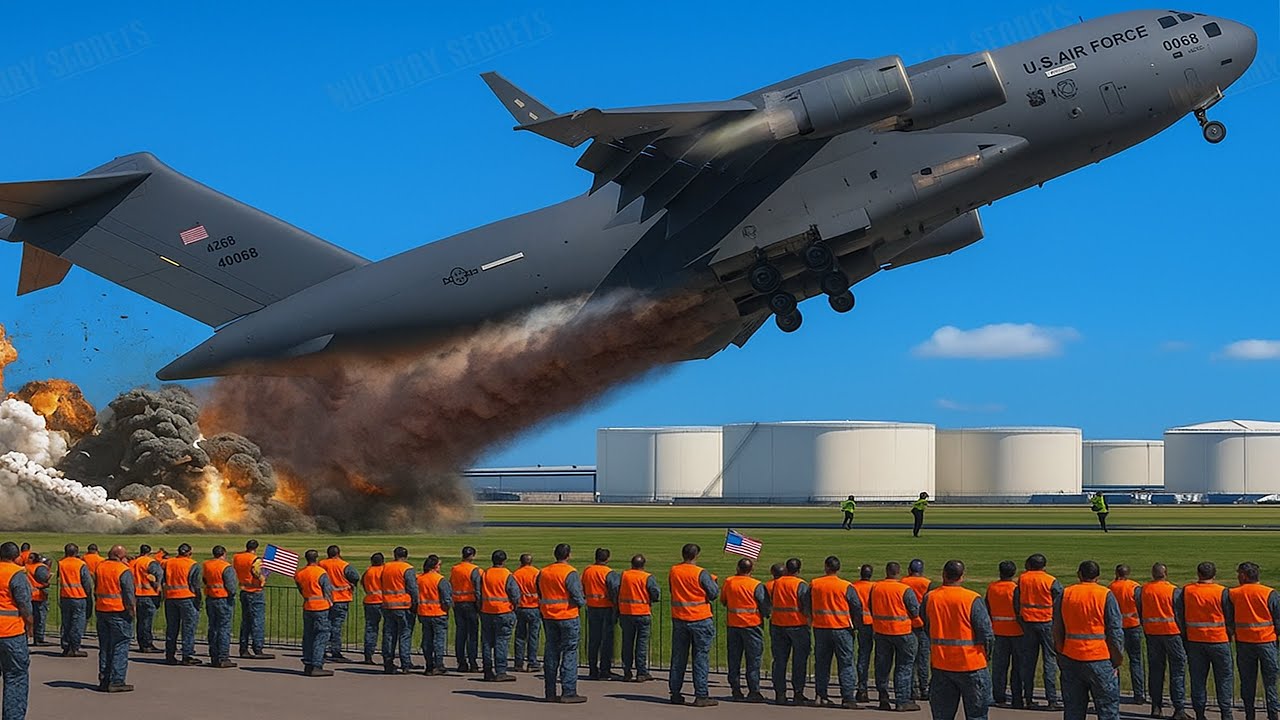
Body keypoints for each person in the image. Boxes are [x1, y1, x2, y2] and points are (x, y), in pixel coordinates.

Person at [1054, 560, 1124, 720]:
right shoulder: (1105, 594)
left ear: (1079, 574)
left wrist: (1060, 651)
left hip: (1071, 656)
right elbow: (1115, 631)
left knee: (1073, 709)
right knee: (1108, 709)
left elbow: (1057, 628)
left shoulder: (1066, 594)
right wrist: (1117, 658)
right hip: (1099, 658)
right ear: (1097, 577)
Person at [924, 560, 993, 720]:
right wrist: (986, 655)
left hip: (941, 663)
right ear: (962, 576)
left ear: (943, 574)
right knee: (977, 715)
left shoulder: (930, 598)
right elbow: (986, 633)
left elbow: (927, 626)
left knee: (942, 715)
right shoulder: (972, 598)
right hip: (971, 664)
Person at [1176, 562, 1235, 720]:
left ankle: (1200, 713)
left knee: (1198, 679)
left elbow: (1179, 614)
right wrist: (1230, 633)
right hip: (1219, 639)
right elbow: (1230, 617)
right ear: (1214, 576)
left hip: (1195, 640)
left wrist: (1185, 633)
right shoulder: (1222, 591)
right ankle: (1226, 713)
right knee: (1224, 678)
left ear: (1198, 574)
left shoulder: (1187, 590)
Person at [668, 543, 719, 707]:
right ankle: (701, 694)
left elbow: (672, 589)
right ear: (696, 555)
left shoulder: (674, 570)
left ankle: (675, 692)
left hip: (680, 618)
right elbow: (713, 594)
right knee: (700, 658)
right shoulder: (700, 573)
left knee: (678, 658)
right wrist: (713, 581)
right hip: (700, 618)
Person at [810, 555, 862, 709]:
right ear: (838, 569)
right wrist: (855, 623)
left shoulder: (815, 584)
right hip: (842, 628)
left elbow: (806, 602)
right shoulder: (845, 586)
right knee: (846, 663)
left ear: (826, 567)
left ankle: (821, 695)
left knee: (821, 663)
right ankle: (847, 697)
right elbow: (857, 606)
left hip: (821, 627)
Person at [1229, 562, 1280, 720]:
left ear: (1244, 575)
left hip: (1244, 643)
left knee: (1247, 680)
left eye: (1239, 574)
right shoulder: (1270, 593)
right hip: (1267, 642)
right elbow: (1278, 620)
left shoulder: (1233, 593)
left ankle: (1249, 714)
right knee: (1270, 681)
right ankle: (1273, 713)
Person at [538, 542, 587, 703]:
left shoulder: (543, 572)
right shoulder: (570, 572)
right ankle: (569, 691)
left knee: (551, 652)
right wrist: (581, 602)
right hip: (567, 616)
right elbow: (577, 595)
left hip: (549, 616)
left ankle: (549, 692)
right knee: (570, 652)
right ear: (568, 555)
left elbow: (539, 591)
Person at [1141, 563, 1190, 720]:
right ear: (1166, 574)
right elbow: (1179, 614)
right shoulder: (1174, 591)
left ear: (1153, 574)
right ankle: (1179, 708)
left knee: (1155, 670)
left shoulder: (1143, 590)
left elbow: (1140, 610)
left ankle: (1156, 706)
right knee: (1177, 670)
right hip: (1171, 633)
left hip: (1152, 633)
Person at [871, 561, 922, 712]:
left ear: (886, 572)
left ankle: (883, 697)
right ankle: (902, 700)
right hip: (902, 631)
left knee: (882, 666)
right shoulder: (904, 589)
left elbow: (870, 605)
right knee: (904, 666)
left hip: (881, 631)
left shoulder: (876, 587)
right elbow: (914, 610)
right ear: (898, 572)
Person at [1017, 553, 1063, 709]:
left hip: (1028, 623)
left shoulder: (1023, 578)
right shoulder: (1050, 580)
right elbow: (1060, 601)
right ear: (1044, 566)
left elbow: (1017, 600)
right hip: (1047, 622)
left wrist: (1021, 618)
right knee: (1049, 661)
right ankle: (1052, 699)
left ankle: (1027, 698)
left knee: (1028, 662)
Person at [721, 556, 767, 702]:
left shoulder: (729, 582)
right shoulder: (756, 585)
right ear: (751, 570)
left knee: (734, 658)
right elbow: (764, 605)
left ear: (738, 568)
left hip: (734, 624)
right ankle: (754, 690)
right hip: (752, 625)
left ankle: (735, 689)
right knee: (753, 659)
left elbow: (723, 600)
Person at [771, 557, 815, 706]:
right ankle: (798, 693)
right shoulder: (801, 584)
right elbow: (806, 605)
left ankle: (780, 693)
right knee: (799, 661)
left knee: (779, 661)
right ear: (798, 570)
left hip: (778, 624)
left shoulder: (776, 583)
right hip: (797, 624)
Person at [94, 545, 136, 693]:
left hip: (101, 610)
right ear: (120, 556)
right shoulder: (123, 570)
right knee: (120, 645)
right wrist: (132, 611)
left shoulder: (100, 567)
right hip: (119, 612)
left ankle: (104, 679)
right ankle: (117, 680)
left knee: (105, 647)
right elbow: (129, 594)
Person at [612, 553, 659, 683]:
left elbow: (616, 589)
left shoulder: (623, 575)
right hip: (642, 612)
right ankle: (641, 672)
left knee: (627, 643)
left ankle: (627, 671)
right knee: (641, 644)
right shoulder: (647, 577)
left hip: (626, 613)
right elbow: (655, 593)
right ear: (643, 565)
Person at [0, 541, 33, 719]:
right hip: (11, 632)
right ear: (16, 556)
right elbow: (24, 605)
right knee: (16, 677)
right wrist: (30, 625)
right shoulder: (16, 574)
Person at [986, 560, 1025, 708]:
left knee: (999, 667)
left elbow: (987, 607)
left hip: (998, 630)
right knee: (1017, 667)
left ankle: (999, 696)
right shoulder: (1015, 588)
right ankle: (1017, 698)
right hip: (1017, 631)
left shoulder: (992, 587)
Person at [479, 549, 520, 681]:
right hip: (503, 611)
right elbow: (514, 593)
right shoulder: (507, 574)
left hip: (486, 611)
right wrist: (515, 605)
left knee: (486, 642)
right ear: (504, 561)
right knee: (501, 642)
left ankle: (487, 670)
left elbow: (479, 591)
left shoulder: (485, 573)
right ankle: (501, 671)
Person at [1110, 564, 1147, 705]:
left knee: (1115, 662)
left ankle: (1114, 692)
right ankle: (1139, 694)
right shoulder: (1134, 587)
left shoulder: (1111, 587)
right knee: (1136, 661)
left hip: (1117, 627)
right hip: (1133, 626)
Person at [161, 543, 202, 666]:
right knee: (188, 628)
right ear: (189, 552)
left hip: (171, 598)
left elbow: (163, 580)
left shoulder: (168, 563)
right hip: (187, 598)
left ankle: (170, 654)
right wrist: (199, 600)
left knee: (172, 628)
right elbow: (195, 585)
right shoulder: (193, 564)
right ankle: (187, 655)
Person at [295, 549, 334, 677]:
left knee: (308, 636)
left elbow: (300, 589)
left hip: (308, 606)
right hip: (321, 607)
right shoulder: (320, 572)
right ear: (316, 558)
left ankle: (308, 663)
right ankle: (317, 664)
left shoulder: (300, 573)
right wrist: (331, 603)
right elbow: (328, 590)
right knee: (321, 635)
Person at [318, 545, 360, 663]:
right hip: (341, 599)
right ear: (338, 553)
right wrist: (351, 584)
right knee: (336, 626)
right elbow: (355, 576)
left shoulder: (321, 564)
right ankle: (335, 651)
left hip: (325, 599)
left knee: (325, 625)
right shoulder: (344, 565)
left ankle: (322, 650)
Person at [582, 547, 618, 681]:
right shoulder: (608, 572)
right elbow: (614, 589)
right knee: (606, 640)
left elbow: (582, 586)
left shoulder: (587, 570)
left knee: (593, 639)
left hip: (591, 606)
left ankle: (592, 668)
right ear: (607, 559)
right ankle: (605, 669)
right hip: (606, 607)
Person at [233, 540, 272, 660]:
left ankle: (243, 648)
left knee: (246, 621)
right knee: (257, 621)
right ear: (255, 548)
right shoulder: (255, 560)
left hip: (244, 590)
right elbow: (256, 572)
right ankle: (258, 648)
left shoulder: (237, 557)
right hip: (255, 591)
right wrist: (263, 578)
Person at [380, 546, 417, 674]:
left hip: (387, 605)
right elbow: (412, 588)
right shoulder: (407, 568)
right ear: (406, 556)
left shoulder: (386, 567)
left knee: (389, 634)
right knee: (405, 635)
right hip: (403, 605)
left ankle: (388, 662)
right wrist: (415, 603)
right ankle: (405, 663)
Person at [201, 545, 238, 668]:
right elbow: (231, 586)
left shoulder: (206, 564)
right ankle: (223, 657)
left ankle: (214, 656)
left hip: (210, 598)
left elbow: (205, 579)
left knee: (213, 627)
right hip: (223, 599)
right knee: (224, 629)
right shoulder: (226, 567)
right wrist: (232, 595)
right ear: (224, 554)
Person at [416, 554, 452, 675]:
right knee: (439, 640)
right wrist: (447, 608)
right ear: (435, 566)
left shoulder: (420, 579)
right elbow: (447, 599)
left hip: (424, 612)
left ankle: (429, 665)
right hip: (438, 612)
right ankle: (439, 664)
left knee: (427, 640)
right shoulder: (440, 579)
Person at [905, 559, 933, 700]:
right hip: (923, 624)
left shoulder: (903, 582)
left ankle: (911, 688)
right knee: (923, 657)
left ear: (909, 570)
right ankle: (924, 687)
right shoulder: (927, 583)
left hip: (907, 623)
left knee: (909, 658)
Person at [56, 543, 91, 658]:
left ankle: (66, 647)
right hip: (78, 597)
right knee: (77, 623)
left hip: (65, 596)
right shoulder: (81, 564)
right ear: (76, 552)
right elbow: (86, 582)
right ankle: (74, 647)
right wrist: (88, 595)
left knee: (66, 622)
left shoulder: (61, 563)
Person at [450, 546, 480, 673]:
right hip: (471, 603)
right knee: (472, 635)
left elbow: (451, 583)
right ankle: (473, 662)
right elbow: (478, 589)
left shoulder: (455, 569)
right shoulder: (475, 570)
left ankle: (461, 662)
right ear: (472, 555)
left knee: (460, 634)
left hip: (458, 603)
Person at [512, 553, 541, 674]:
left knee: (520, 636)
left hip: (520, 607)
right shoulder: (536, 573)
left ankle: (518, 662)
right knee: (533, 636)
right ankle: (532, 661)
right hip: (534, 606)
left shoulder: (516, 574)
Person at [130, 545, 162, 654]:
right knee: (147, 622)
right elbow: (158, 577)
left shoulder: (133, 562)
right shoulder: (150, 562)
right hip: (149, 595)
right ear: (149, 552)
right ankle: (147, 644)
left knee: (140, 621)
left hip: (136, 595)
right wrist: (158, 589)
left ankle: (142, 643)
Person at [852, 564, 876, 703]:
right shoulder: (875, 587)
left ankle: (862, 688)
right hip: (875, 623)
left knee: (863, 655)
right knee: (880, 658)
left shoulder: (854, 586)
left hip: (861, 622)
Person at [360, 553, 384, 665]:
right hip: (383, 601)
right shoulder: (384, 570)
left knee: (370, 628)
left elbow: (362, 582)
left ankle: (368, 655)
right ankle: (387, 653)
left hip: (369, 600)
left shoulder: (368, 571)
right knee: (388, 629)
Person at [22, 553, 48, 647]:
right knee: (40, 618)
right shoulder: (40, 567)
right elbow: (43, 579)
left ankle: (27, 636)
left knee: (28, 617)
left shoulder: (25, 567)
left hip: (28, 596)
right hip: (38, 595)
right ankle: (39, 638)